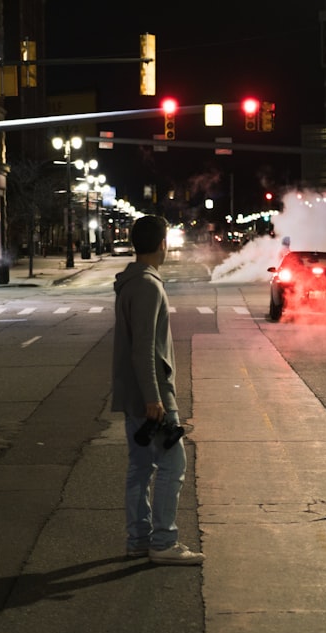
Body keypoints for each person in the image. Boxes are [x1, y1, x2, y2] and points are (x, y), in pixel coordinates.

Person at [112, 215, 204, 566]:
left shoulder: (130, 281)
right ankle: (163, 541)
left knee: (139, 467)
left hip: (133, 392)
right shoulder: (148, 286)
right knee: (173, 463)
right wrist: (155, 397)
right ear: (161, 243)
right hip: (152, 394)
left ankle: (138, 540)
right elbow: (144, 348)